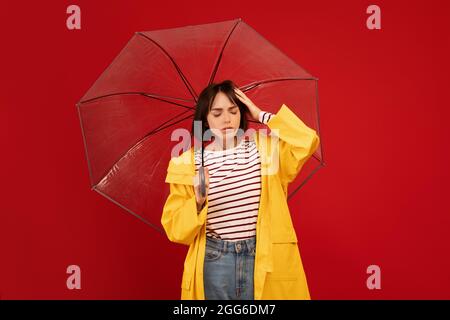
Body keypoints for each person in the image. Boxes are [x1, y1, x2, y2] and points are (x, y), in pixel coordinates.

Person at [161, 80, 320, 300]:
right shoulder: (187, 163)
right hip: (215, 261)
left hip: (262, 256)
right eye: (216, 113)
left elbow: (307, 140)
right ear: (205, 120)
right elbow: (176, 230)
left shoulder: (264, 147)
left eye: (233, 111)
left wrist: (262, 115)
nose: (226, 119)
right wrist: (197, 201)